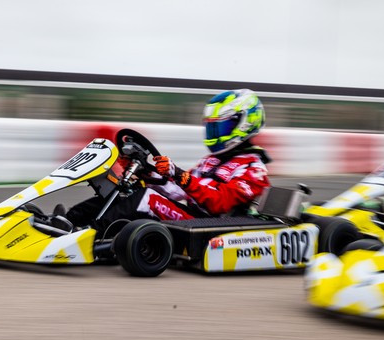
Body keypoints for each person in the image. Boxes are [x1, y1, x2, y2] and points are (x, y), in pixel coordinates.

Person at [65, 89, 271, 234]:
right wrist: (148, 172)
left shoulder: (254, 169)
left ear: (244, 123)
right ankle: (68, 221)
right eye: (212, 127)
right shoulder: (211, 161)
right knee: (128, 191)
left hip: (213, 226)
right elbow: (178, 191)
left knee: (147, 198)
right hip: (193, 217)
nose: (215, 134)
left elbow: (220, 203)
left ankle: (88, 234)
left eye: (221, 127)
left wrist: (179, 174)